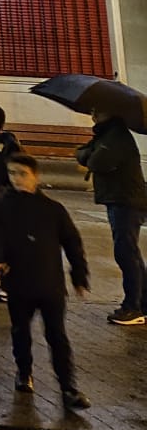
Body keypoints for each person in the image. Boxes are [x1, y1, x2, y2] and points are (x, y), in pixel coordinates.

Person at [0, 154, 92, 408]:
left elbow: (72, 243)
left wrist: (79, 275)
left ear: (35, 176)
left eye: (22, 173)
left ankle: (68, 388)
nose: (17, 179)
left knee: (57, 336)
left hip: (49, 284)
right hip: (19, 282)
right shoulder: (1, 206)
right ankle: (24, 371)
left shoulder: (53, 210)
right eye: (12, 174)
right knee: (21, 331)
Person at [75, 111, 147, 326]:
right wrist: (89, 154)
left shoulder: (116, 137)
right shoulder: (106, 135)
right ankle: (141, 303)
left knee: (126, 253)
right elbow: (82, 153)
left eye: (98, 111)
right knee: (129, 252)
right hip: (119, 199)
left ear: (111, 114)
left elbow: (97, 162)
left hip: (126, 201)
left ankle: (133, 307)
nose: (93, 114)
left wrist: (90, 155)